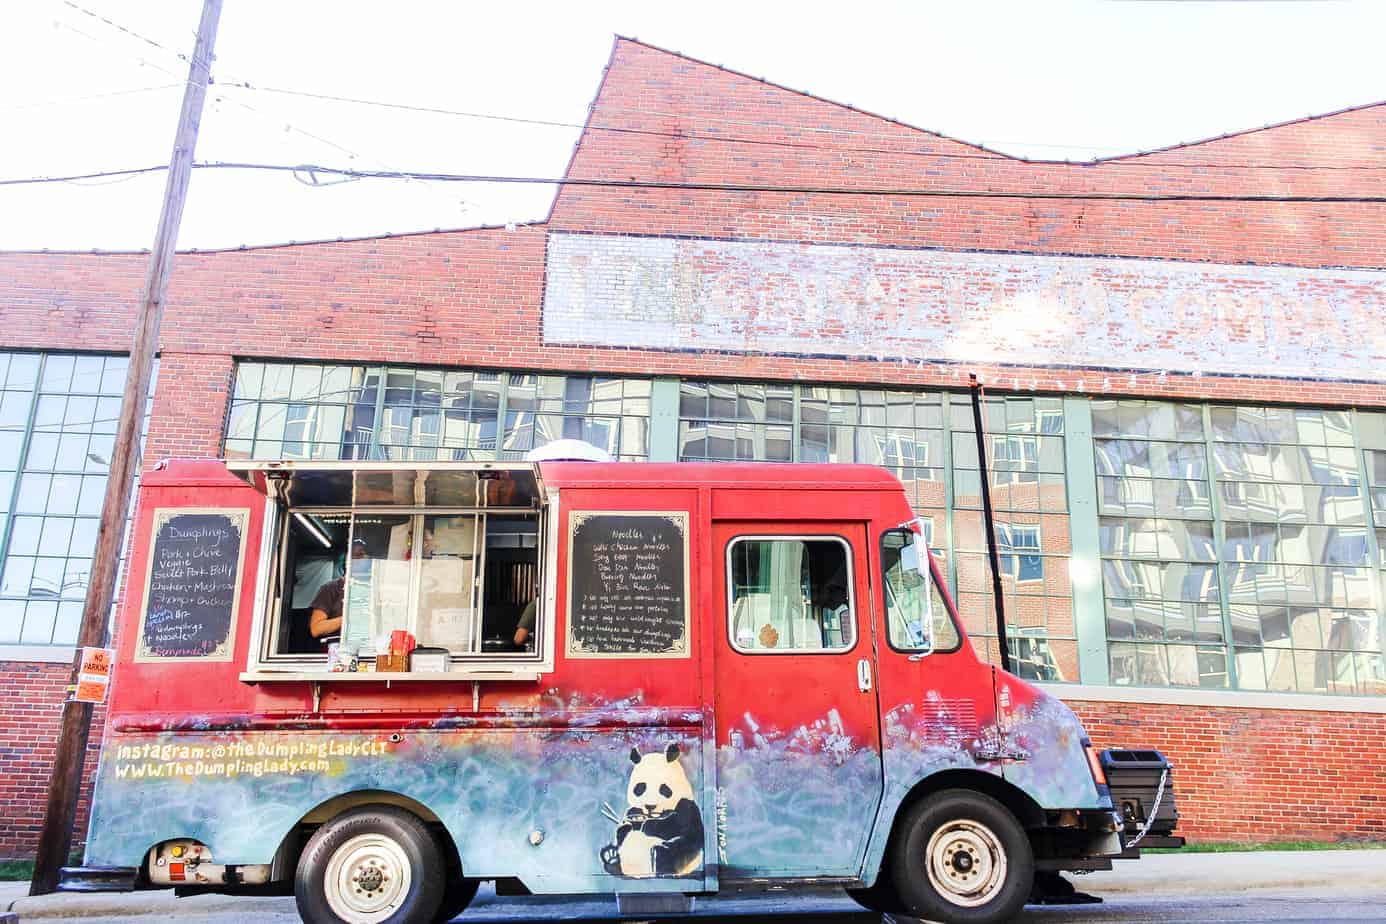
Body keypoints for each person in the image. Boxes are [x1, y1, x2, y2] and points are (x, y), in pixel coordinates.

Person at [309, 539, 367, 643]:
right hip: (339, 653)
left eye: (365, 556)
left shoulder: (373, 588)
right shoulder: (330, 588)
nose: (364, 559)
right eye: (358, 556)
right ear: (346, 560)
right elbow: (316, 629)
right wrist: (349, 618)